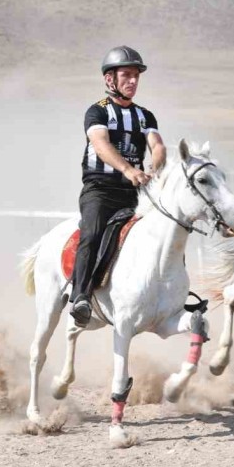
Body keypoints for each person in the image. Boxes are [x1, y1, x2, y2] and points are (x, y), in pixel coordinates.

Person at [70, 46, 168, 327]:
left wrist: (155, 169)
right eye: (126, 75)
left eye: (136, 75)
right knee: (92, 234)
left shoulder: (145, 116)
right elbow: (101, 145)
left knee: (168, 228)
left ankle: (171, 292)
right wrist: (128, 169)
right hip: (100, 189)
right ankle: (81, 296)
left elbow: (157, 146)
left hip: (134, 192)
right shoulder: (97, 112)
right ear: (109, 79)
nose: (133, 81)